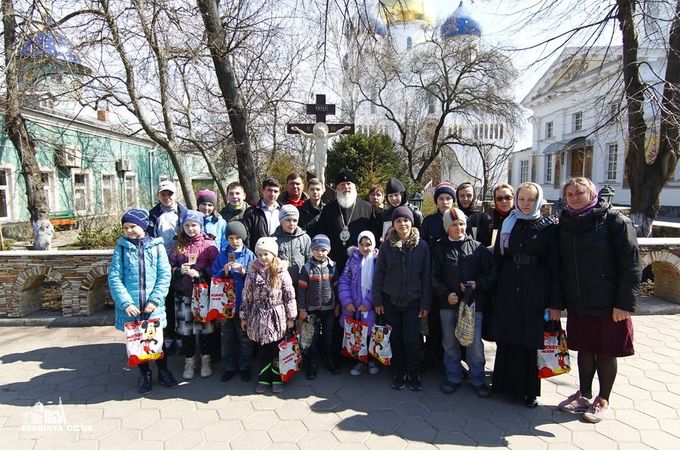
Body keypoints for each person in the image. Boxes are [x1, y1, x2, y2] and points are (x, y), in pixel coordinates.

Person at [557, 177, 640, 423]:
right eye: (569, 194)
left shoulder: (615, 221)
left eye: (579, 192)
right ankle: (584, 394)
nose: (574, 197)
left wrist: (624, 303)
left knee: (606, 351)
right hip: (579, 300)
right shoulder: (566, 222)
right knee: (584, 349)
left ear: (592, 194)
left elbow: (631, 263)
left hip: (609, 302)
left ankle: (603, 399)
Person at [490, 182, 562, 408]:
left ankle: (529, 391)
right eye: (522, 199)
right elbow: (498, 257)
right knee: (507, 336)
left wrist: (555, 302)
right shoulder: (509, 223)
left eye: (530, 199)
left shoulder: (549, 227)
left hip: (535, 289)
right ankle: (502, 385)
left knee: (530, 340)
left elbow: (555, 266)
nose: (526, 204)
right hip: (508, 286)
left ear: (538, 200)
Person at [109, 209, 178, 395]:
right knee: (137, 341)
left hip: (152, 306)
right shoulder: (121, 248)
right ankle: (145, 373)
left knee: (157, 340)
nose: (129, 230)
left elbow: (164, 275)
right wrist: (126, 303)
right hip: (132, 307)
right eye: (125, 228)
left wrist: (155, 299)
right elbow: (115, 277)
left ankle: (163, 371)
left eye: (132, 226)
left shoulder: (157, 247)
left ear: (144, 226)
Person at [431, 207, 495, 398]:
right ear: (446, 227)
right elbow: (433, 276)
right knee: (449, 343)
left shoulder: (478, 248)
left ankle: (478, 378)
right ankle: (453, 376)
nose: (458, 228)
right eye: (453, 225)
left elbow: (491, 274)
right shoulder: (439, 248)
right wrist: (445, 294)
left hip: (472, 305)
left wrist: (477, 284)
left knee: (475, 345)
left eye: (461, 224)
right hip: (448, 305)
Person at [373, 206, 432, 391]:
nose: (402, 224)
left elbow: (426, 276)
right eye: (398, 221)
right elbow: (379, 274)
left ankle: (413, 371)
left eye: (406, 220)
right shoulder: (386, 246)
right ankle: (398, 370)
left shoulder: (422, 246)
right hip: (390, 300)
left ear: (411, 223)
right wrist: (378, 300)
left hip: (413, 302)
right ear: (393, 224)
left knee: (412, 339)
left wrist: (425, 303)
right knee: (396, 338)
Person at [240, 237, 297, 394]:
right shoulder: (252, 273)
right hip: (257, 317)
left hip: (276, 316)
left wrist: (291, 317)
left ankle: (277, 378)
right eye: (260, 254)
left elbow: (289, 295)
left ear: (273, 254)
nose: (263, 258)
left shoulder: (281, 272)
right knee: (262, 349)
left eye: (266, 254)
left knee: (277, 349)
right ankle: (264, 378)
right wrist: (244, 316)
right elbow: (246, 296)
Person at [168, 210, 220, 380]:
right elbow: (168, 267)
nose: (191, 229)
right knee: (186, 331)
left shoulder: (209, 244)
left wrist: (201, 273)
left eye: (194, 225)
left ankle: (206, 360)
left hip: (202, 293)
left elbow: (216, 268)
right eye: (187, 225)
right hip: (183, 293)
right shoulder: (178, 245)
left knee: (205, 330)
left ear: (201, 225)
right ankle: (189, 362)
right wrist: (179, 270)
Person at [211, 221, 256, 382]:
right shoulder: (222, 255)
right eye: (231, 238)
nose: (235, 241)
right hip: (226, 305)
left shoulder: (250, 255)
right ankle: (229, 366)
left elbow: (257, 278)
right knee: (227, 337)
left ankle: (245, 366)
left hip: (244, 303)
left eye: (238, 238)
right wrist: (223, 272)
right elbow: (213, 277)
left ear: (243, 238)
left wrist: (244, 272)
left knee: (245, 338)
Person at [147, 180, 188, 353]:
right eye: (163, 194)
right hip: (161, 263)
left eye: (170, 194)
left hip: (182, 261)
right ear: (159, 196)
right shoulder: (153, 215)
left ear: (175, 194)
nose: (167, 197)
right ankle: (168, 335)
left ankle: (181, 336)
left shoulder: (184, 212)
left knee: (181, 301)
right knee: (166, 300)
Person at [419, 181, 456, 370]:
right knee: (433, 319)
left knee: (451, 321)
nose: (444, 202)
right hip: (433, 275)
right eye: (441, 198)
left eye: (448, 198)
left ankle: (451, 359)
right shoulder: (429, 221)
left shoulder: (458, 218)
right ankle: (431, 354)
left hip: (452, 276)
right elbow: (423, 247)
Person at [315, 169, 379, 274]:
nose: (346, 187)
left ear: (354, 186)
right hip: (333, 263)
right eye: (342, 185)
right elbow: (322, 233)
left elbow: (373, 235)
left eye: (349, 184)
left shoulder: (367, 208)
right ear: (337, 189)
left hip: (360, 263)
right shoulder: (328, 209)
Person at [297, 234, 340, 379]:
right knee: (312, 339)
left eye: (323, 250)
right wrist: (302, 309)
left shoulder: (332, 267)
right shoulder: (307, 268)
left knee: (328, 338)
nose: (320, 253)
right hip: (311, 310)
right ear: (312, 250)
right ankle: (312, 364)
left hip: (329, 309)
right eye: (316, 249)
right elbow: (302, 290)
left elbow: (336, 287)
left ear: (328, 250)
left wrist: (337, 305)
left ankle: (329, 359)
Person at [338, 230, 380, 376]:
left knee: (370, 333)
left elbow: (377, 284)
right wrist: (347, 301)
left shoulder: (377, 261)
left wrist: (368, 303)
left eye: (368, 244)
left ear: (373, 244)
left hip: (369, 307)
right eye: (361, 244)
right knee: (356, 334)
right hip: (353, 306)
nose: (365, 247)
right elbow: (344, 281)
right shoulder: (352, 260)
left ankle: (371, 360)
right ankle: (360, 361)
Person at [291, 123, 350, 187]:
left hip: (323, 157)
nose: (318, 134)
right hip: (317, 156)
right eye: (317, 133)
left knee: (321, 173)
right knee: (317, 174)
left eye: (319, 132)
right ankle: (318, 186)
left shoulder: (327, 136)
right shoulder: (315, 137)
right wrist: (297, 129)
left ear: (322, 132)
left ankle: (322, 186)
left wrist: (344, 128)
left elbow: (336, 133)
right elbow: (305, 134)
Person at [273, 204, 311, 286]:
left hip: (300, 283)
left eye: (294, 220)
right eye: (288, 220)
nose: (291, 223)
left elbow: (310, 260)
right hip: (280, 283)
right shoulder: (273, 239)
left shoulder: (305, 238)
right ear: (281, 221)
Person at [242, 177, 282, 251]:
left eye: (276, 191)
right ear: (262, 191)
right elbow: (247, 237)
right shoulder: (251, 212)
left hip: (279, 253)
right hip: (259, 253)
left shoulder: (283, 210)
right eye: (269, 190)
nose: (272, 194)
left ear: (279, 193)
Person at [455, 182, 492, 247]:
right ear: (457, 197)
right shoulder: (453, 216)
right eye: (462, 196)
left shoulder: (484, 218)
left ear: (474, 196)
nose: (465, 199)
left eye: (469, 195)